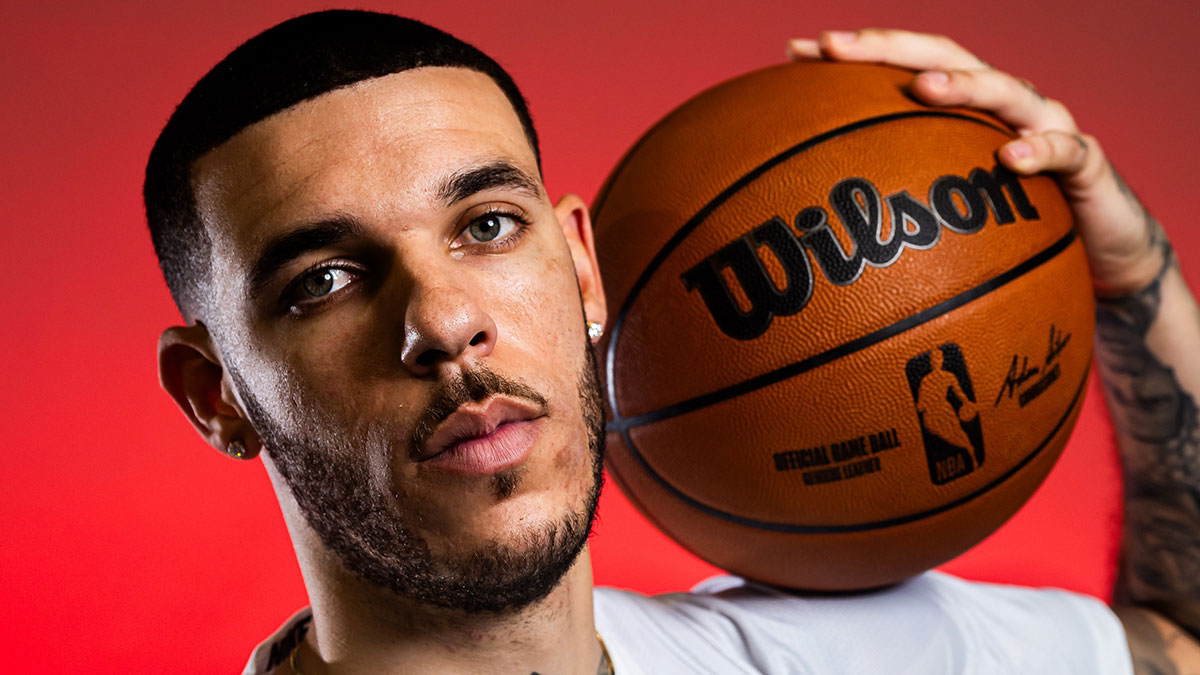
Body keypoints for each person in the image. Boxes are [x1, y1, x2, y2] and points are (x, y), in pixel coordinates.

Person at [145, 10, 1200, 674]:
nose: (445, 322)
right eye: (323, 281)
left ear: (582, 268)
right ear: (215, 394)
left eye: (488, 226)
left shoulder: (812, 651)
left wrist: (1130, 278)